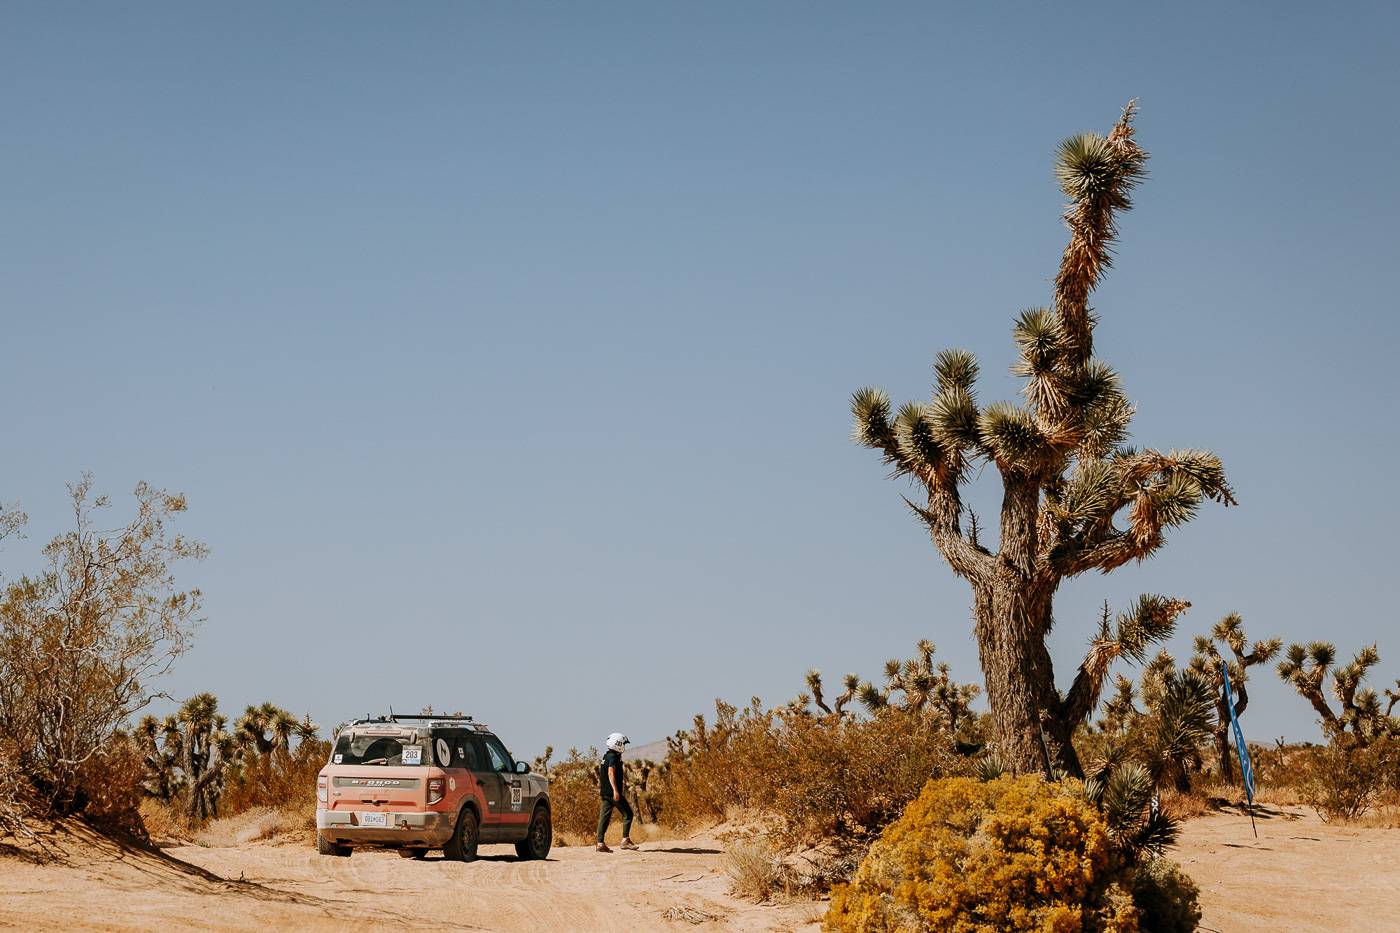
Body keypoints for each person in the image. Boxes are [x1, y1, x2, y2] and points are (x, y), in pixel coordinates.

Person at [595, 732, 637, 852]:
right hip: (612, 792)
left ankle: (600, 843)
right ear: (618, 744)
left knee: (604, 817)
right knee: (628, 814)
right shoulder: (613, 757)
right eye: (623, 743)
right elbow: (610, 772)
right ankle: (625, 841)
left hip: (605, 792)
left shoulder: (606, 756)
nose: (624, 745)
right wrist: (615, 791)